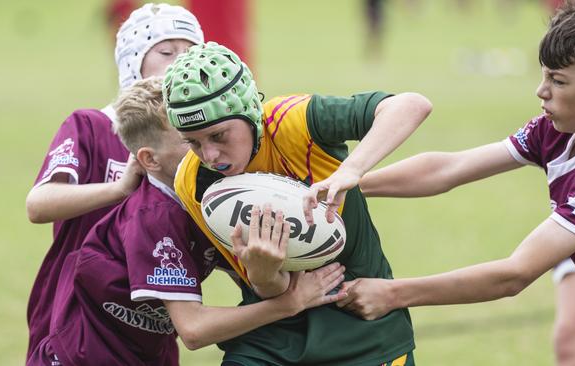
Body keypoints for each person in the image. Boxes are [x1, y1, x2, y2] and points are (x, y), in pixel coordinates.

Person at [27, 77, 346, 366]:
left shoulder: (208, 194)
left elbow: (258, 279)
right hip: (82, 357)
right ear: (149, 160)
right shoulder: (155, 217)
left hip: (143, 352)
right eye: (189, 140)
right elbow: (193, 329)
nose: (207, 148)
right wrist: (288, 303)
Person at [163, 42, 432, 365]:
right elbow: (275, 292)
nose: (209, 156)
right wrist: (263, 273)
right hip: (269, 341)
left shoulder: (295, 123)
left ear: (249, 113)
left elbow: (411, 105)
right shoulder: (192, 183)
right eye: (193, 142)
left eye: (219, 135)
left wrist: (350, 170)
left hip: (364, 330)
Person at [346, 4, 575, 365]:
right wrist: (348, 184)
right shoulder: (552, 133)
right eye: (544, 75)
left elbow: (514, 274)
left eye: (558, 81)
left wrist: (392, 294)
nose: (540, 91)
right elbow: (448, 169)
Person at [24, 3, 204, 358]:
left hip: (148, 331)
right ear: (132, 62)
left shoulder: (197, 144)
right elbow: (38, 205)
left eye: (191, 53)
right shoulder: (91, 126)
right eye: (167, 52)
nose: (180, 63)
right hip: (73, 324)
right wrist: (117, 190)